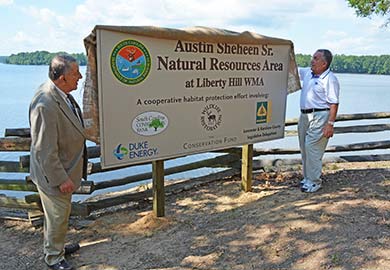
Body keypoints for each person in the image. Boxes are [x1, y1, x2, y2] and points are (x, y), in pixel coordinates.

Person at [29, 54, 87, 270]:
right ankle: (54, 258)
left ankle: (57, 247)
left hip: (64, 169)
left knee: (59, 215)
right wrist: (60, 179)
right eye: (75, 73)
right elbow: (44, 149)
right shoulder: (46, 103)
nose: (80, 77)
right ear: (61, 78)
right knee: (57, 216)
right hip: (54, 175)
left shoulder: (60, 93)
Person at [298, 49, 340, 193]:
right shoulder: (308, 73)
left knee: (312, 148)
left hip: (321, 116)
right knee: (304, 147)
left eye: (315, 58)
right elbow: (292, 69)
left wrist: (330, 124)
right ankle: (307, 178)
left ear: (324, 63)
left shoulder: (330, 79)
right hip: (304, 116)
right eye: (312, 57)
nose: (312, 60)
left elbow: (334, 103)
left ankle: (314, 182)